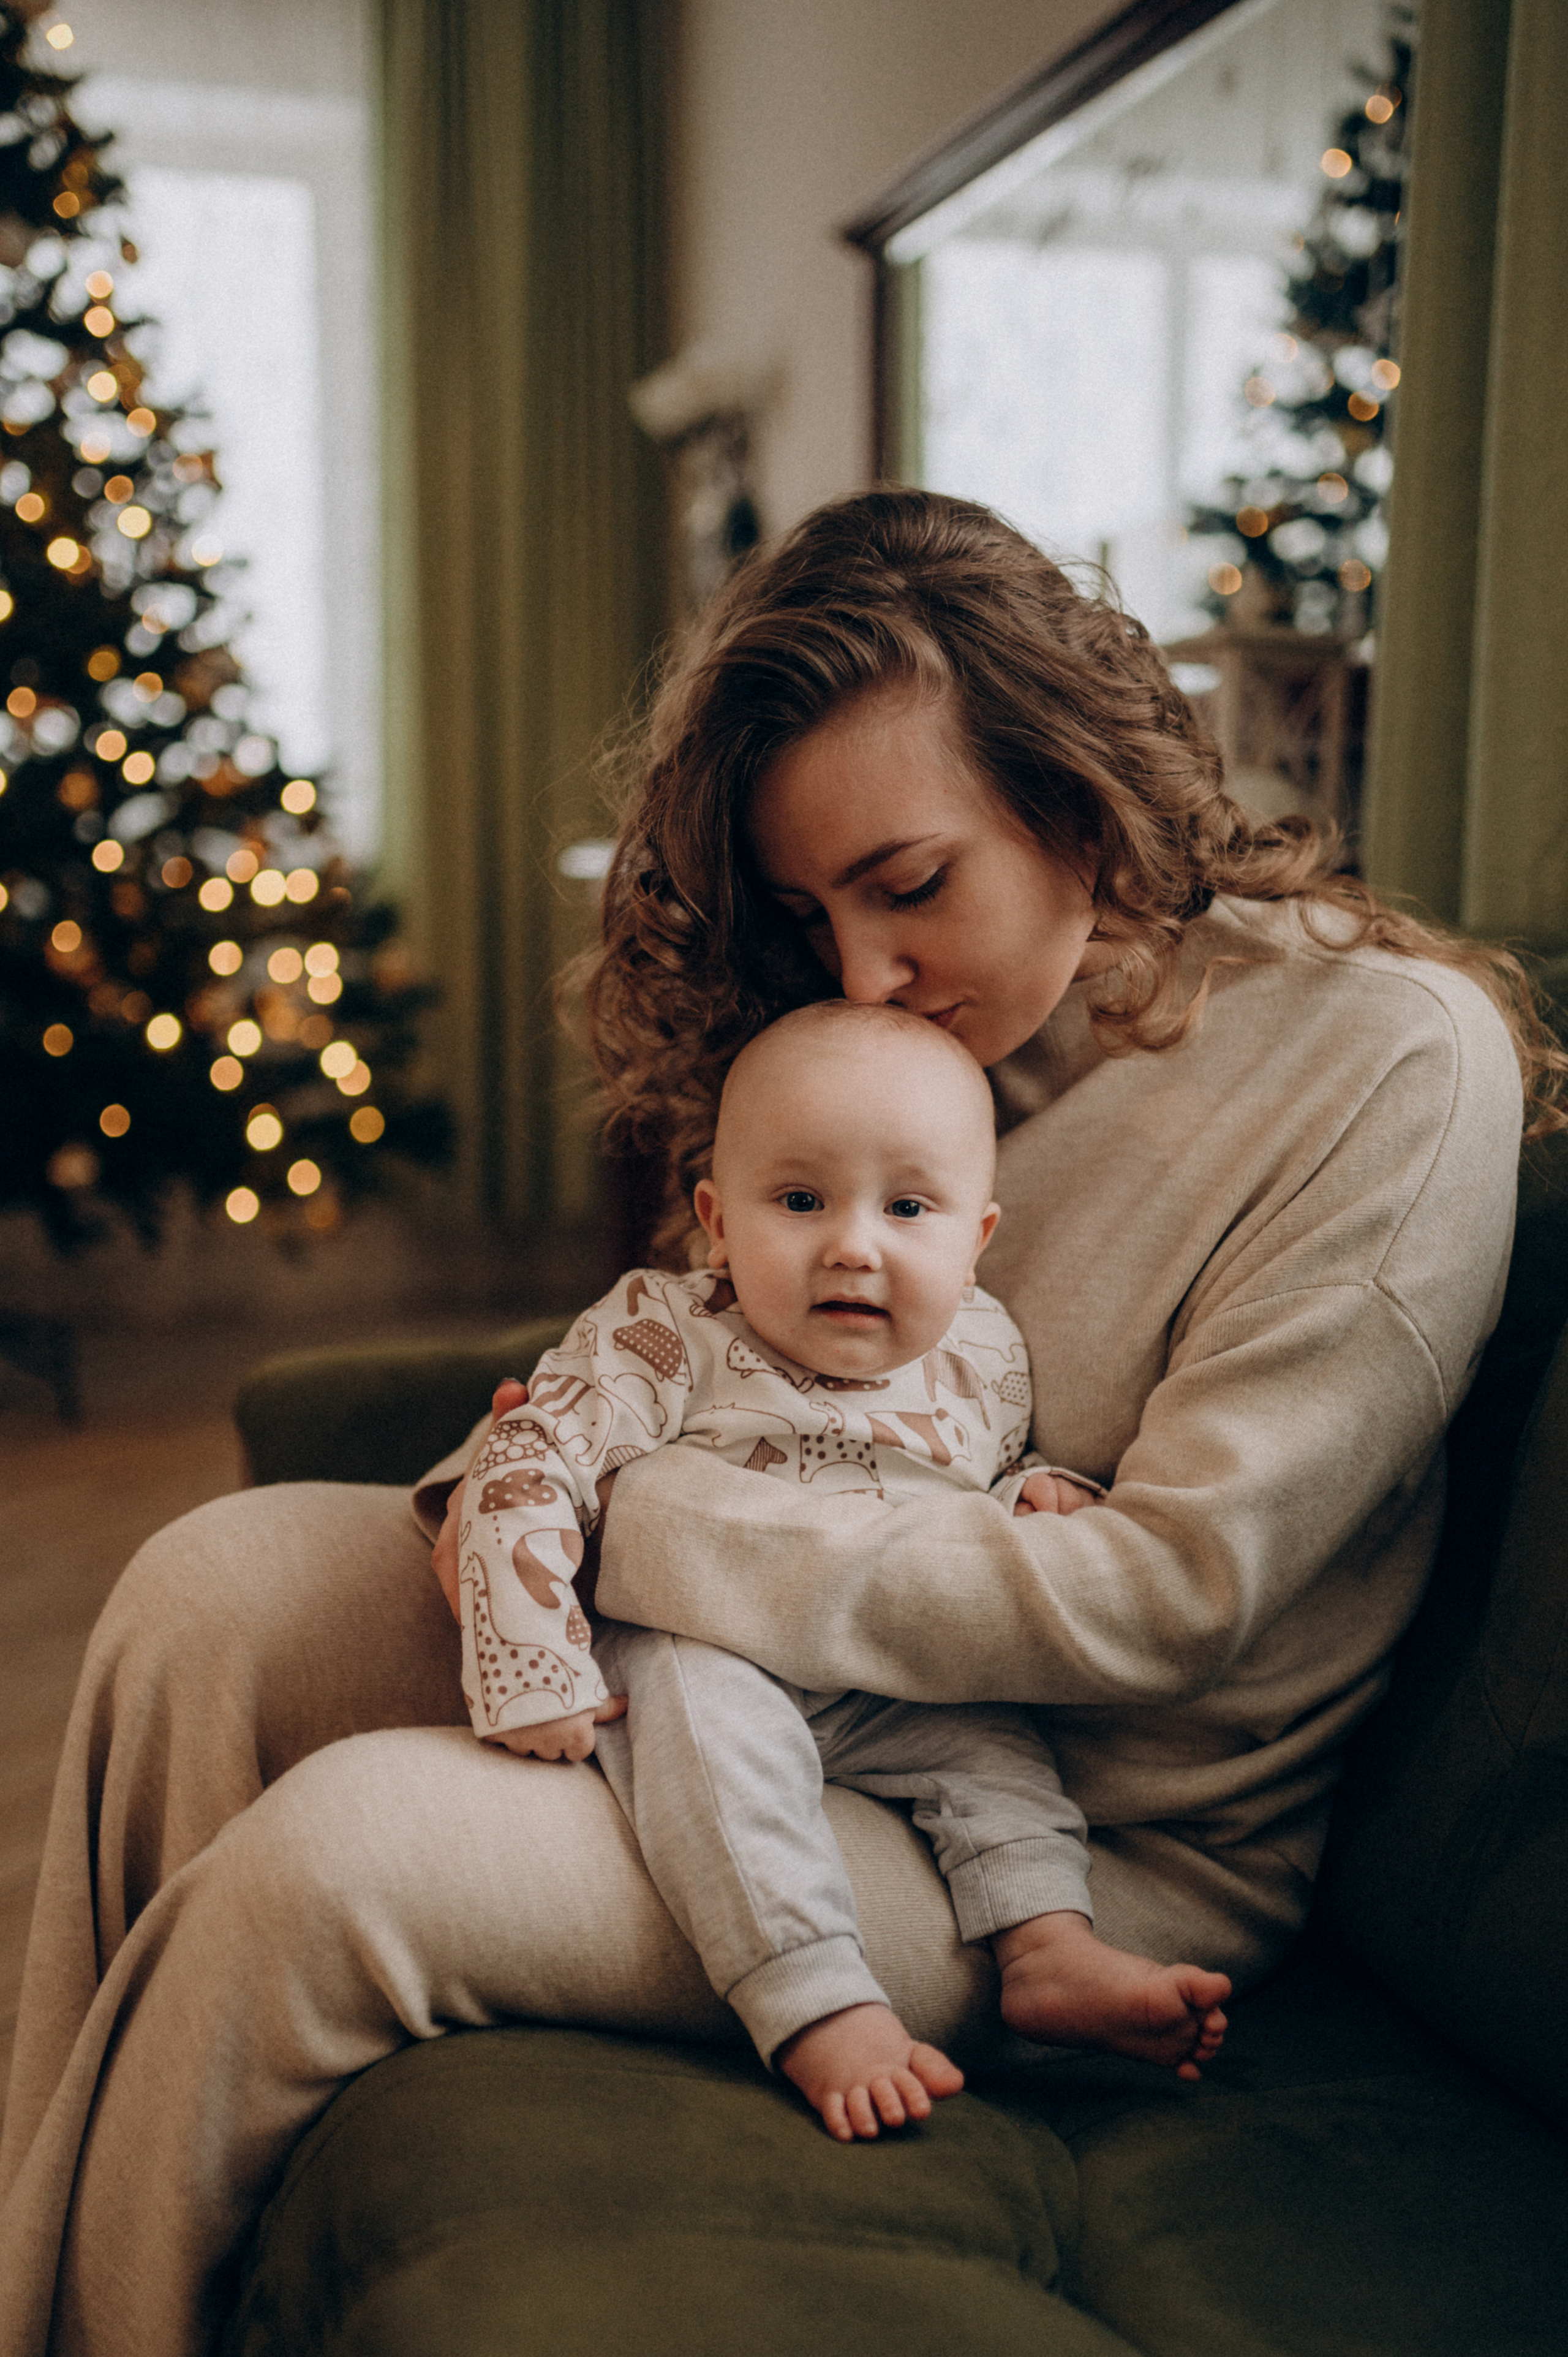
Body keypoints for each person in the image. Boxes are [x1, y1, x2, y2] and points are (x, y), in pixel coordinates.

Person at [0, 490, 1549, 2357]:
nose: (868, 976)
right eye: (817, 916)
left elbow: (1167, 1597)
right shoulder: (941, 1028)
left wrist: (615, 1529)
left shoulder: (1384, 1061)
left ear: (1079, 792)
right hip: (738, 1692)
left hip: (1062, 1836)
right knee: (208, 1591)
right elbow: (702, 1363)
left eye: (910, 885)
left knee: (338, 1868)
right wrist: (514, 1486)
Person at [454, 999, 1229, 2141]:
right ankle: (813, 1997)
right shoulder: (668, 1329)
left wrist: (1040, 1500)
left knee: (1000, 1755)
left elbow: (972, 1489)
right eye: (801, 1201)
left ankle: (1048, 1946)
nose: (854, 1245)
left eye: (909, 1208)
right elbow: (531, 1456)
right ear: (717, 1220)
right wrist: (532, 1658)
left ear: (977, 1238)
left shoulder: (984, 1351)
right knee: (721, 1767)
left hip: (891, 1675)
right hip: (710, 1648)